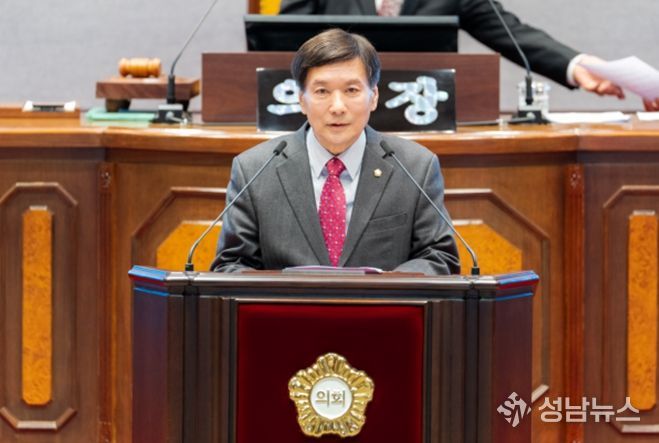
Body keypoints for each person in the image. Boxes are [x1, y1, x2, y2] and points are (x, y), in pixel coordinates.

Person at [211, 28, 460, 275]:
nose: (337, 107)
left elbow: (439, 258)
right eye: (322, 91)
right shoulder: (254, 169)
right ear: (301, 100)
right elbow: (230, 266)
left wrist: (384, 288)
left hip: (383, 302)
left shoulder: (416, 167)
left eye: (351, 90)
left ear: (373, 96)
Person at [278, 0, 645, 107]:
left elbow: (510, 32)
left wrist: (577, 65)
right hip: (335, 116)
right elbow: (280, 38)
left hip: (428, 122)